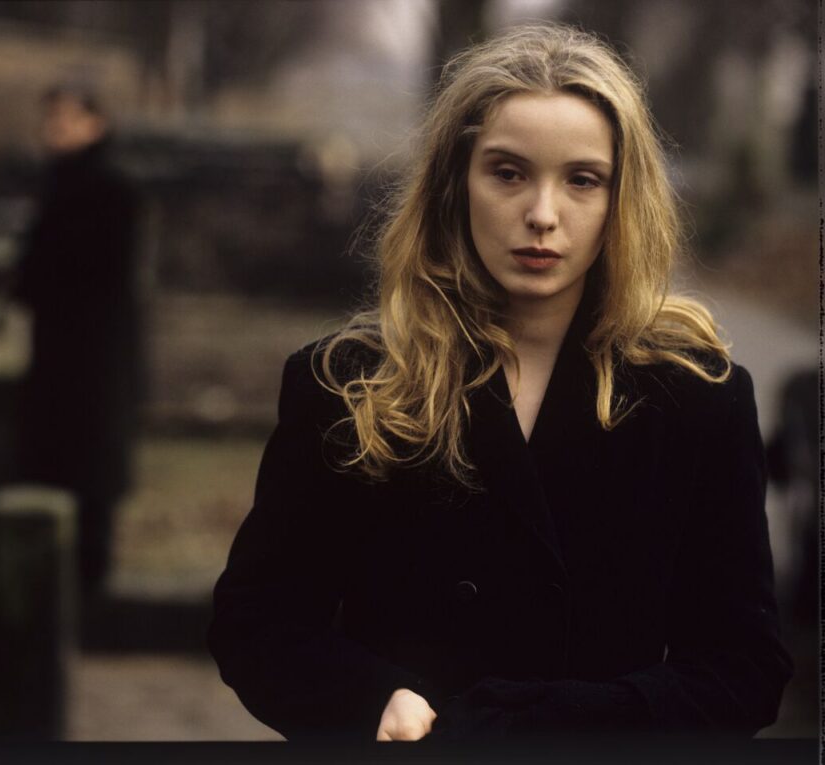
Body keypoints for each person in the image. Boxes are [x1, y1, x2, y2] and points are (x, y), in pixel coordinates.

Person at [207, 24, 793, 743]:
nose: (542, 215)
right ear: (458, 183)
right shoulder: (350, 384)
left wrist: (564, 722)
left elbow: (744, 666)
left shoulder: (697, 395)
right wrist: (370, 702)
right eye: (509, 172)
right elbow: (256, 622)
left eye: (582, 179)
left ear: (621, 197)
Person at [12, 84, 140, 599]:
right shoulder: (58, 182)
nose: (56, 129)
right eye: (52, 119)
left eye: (68, 119)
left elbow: (89, 271)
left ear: (96, 124)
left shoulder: (111, 189)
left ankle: (89, 582)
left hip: (93, 354)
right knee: (57, 466)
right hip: (61, 350)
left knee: (89, 471)